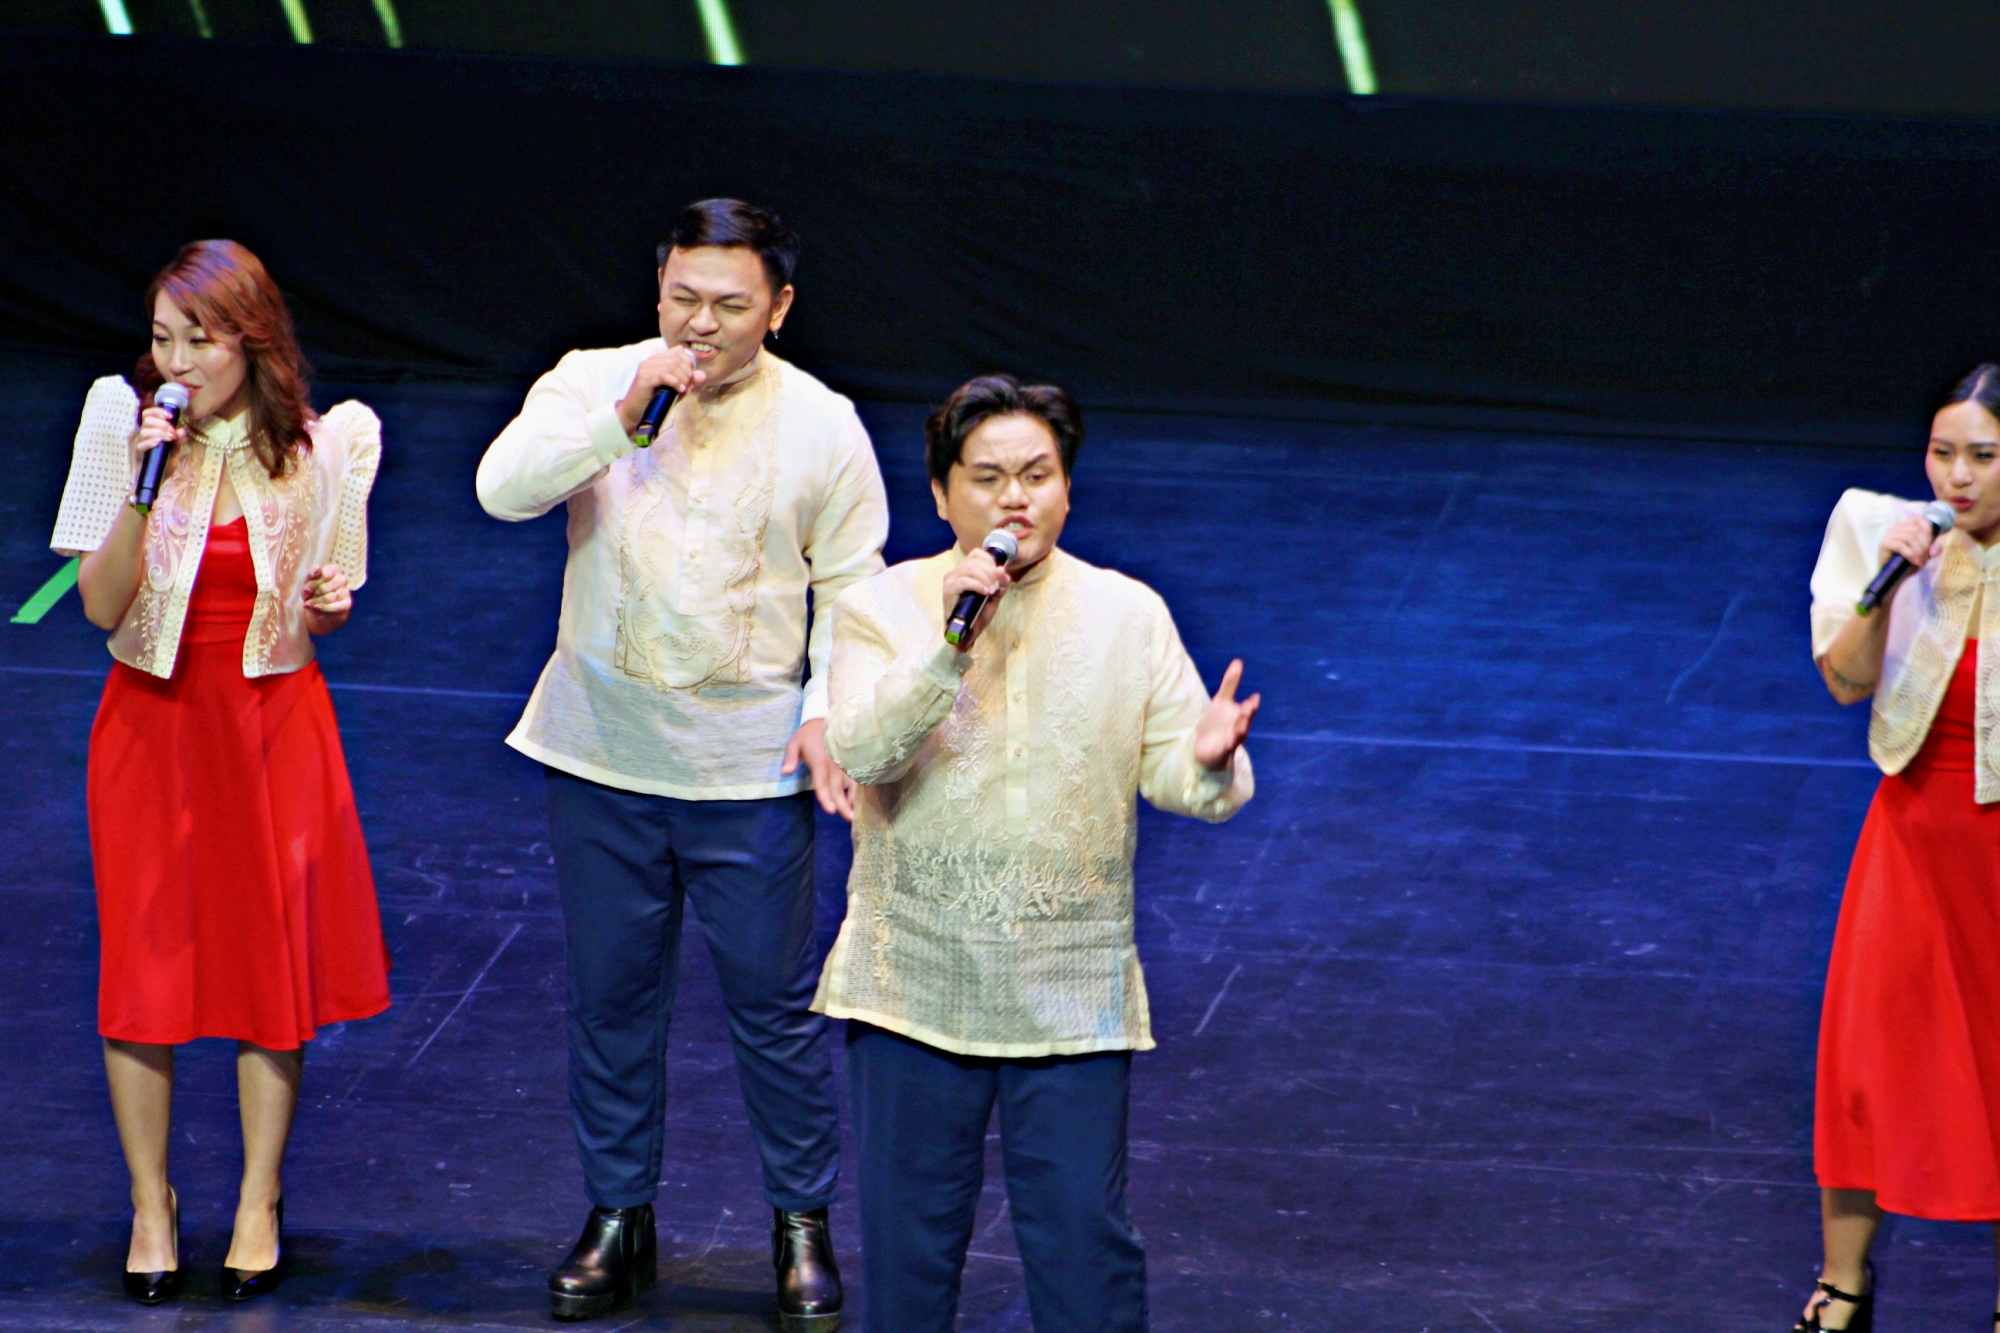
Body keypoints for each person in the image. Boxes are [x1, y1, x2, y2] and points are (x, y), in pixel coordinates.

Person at [475, 198, 887, 1327]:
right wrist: (619, 422)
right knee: (610, 1000)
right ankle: (619, 1215)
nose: (700, 325)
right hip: (600, 755)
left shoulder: (823, 424)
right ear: (657, 291)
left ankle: (799, 1222)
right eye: (682, 299)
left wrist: (826, 714)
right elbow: (502, 489)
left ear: (780, 308)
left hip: (747, 774)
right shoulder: (593, 381)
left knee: (774, 1008)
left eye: (729, 305)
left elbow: (855, 590)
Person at [814, 374, 1259, 1332]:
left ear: (1066, 486)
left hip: (1070, 985)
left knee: (1084, 1250)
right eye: (987, 478)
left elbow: (1187, 782)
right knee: (908, 1253)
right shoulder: (880, 607)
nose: (1014, 498)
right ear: (942, 495)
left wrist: (1209, 759)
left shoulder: (1127, 613)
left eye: (1037, 474)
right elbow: (861, 751)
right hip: (915, 980)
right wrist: (946, 645)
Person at [50, 239, 390, 1306]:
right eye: (163, 338)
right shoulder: (121, 426)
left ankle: (257, 1198)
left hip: (273, 728)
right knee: (142, 966)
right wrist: (140, 488)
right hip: (151, 728)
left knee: (264, 968)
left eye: (199, 340)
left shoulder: (324, 446)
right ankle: (150, 1205)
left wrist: (329, 604)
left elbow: (324, 607)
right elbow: (100, 605)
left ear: (252, 340)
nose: (177, 362)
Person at [1799, 363, 2000, 1331]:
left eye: (1982, 456)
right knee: (1864, 1060)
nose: (1956, 475)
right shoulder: (1890, 540)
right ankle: (1842, 1286)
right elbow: (1844, 681)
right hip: (1912, 833)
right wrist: (1884, 591)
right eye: (1941, 452)